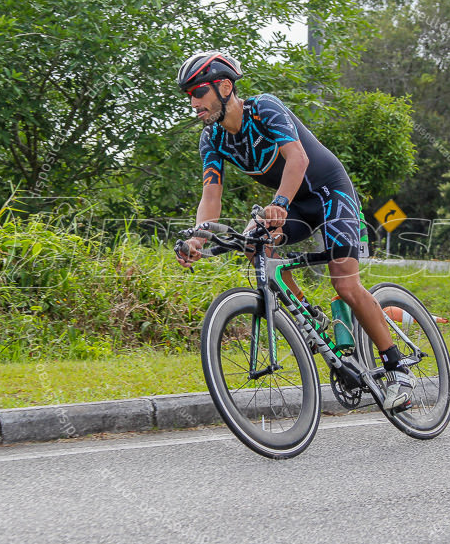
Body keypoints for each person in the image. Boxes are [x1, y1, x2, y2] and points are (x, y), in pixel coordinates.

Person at [173, 51, 413, 411]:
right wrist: (198, 237)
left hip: (330, 194)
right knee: (254, 240)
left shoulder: (264, 108)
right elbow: (211, 194)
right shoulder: (213, 139)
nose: (193, 102)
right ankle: (306, 312)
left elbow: (297, 158)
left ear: (224, 87)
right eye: (188, 95)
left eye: (198, 92)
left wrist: (280, 204)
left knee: (345, 284)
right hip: (294, 204)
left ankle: (398, 369)